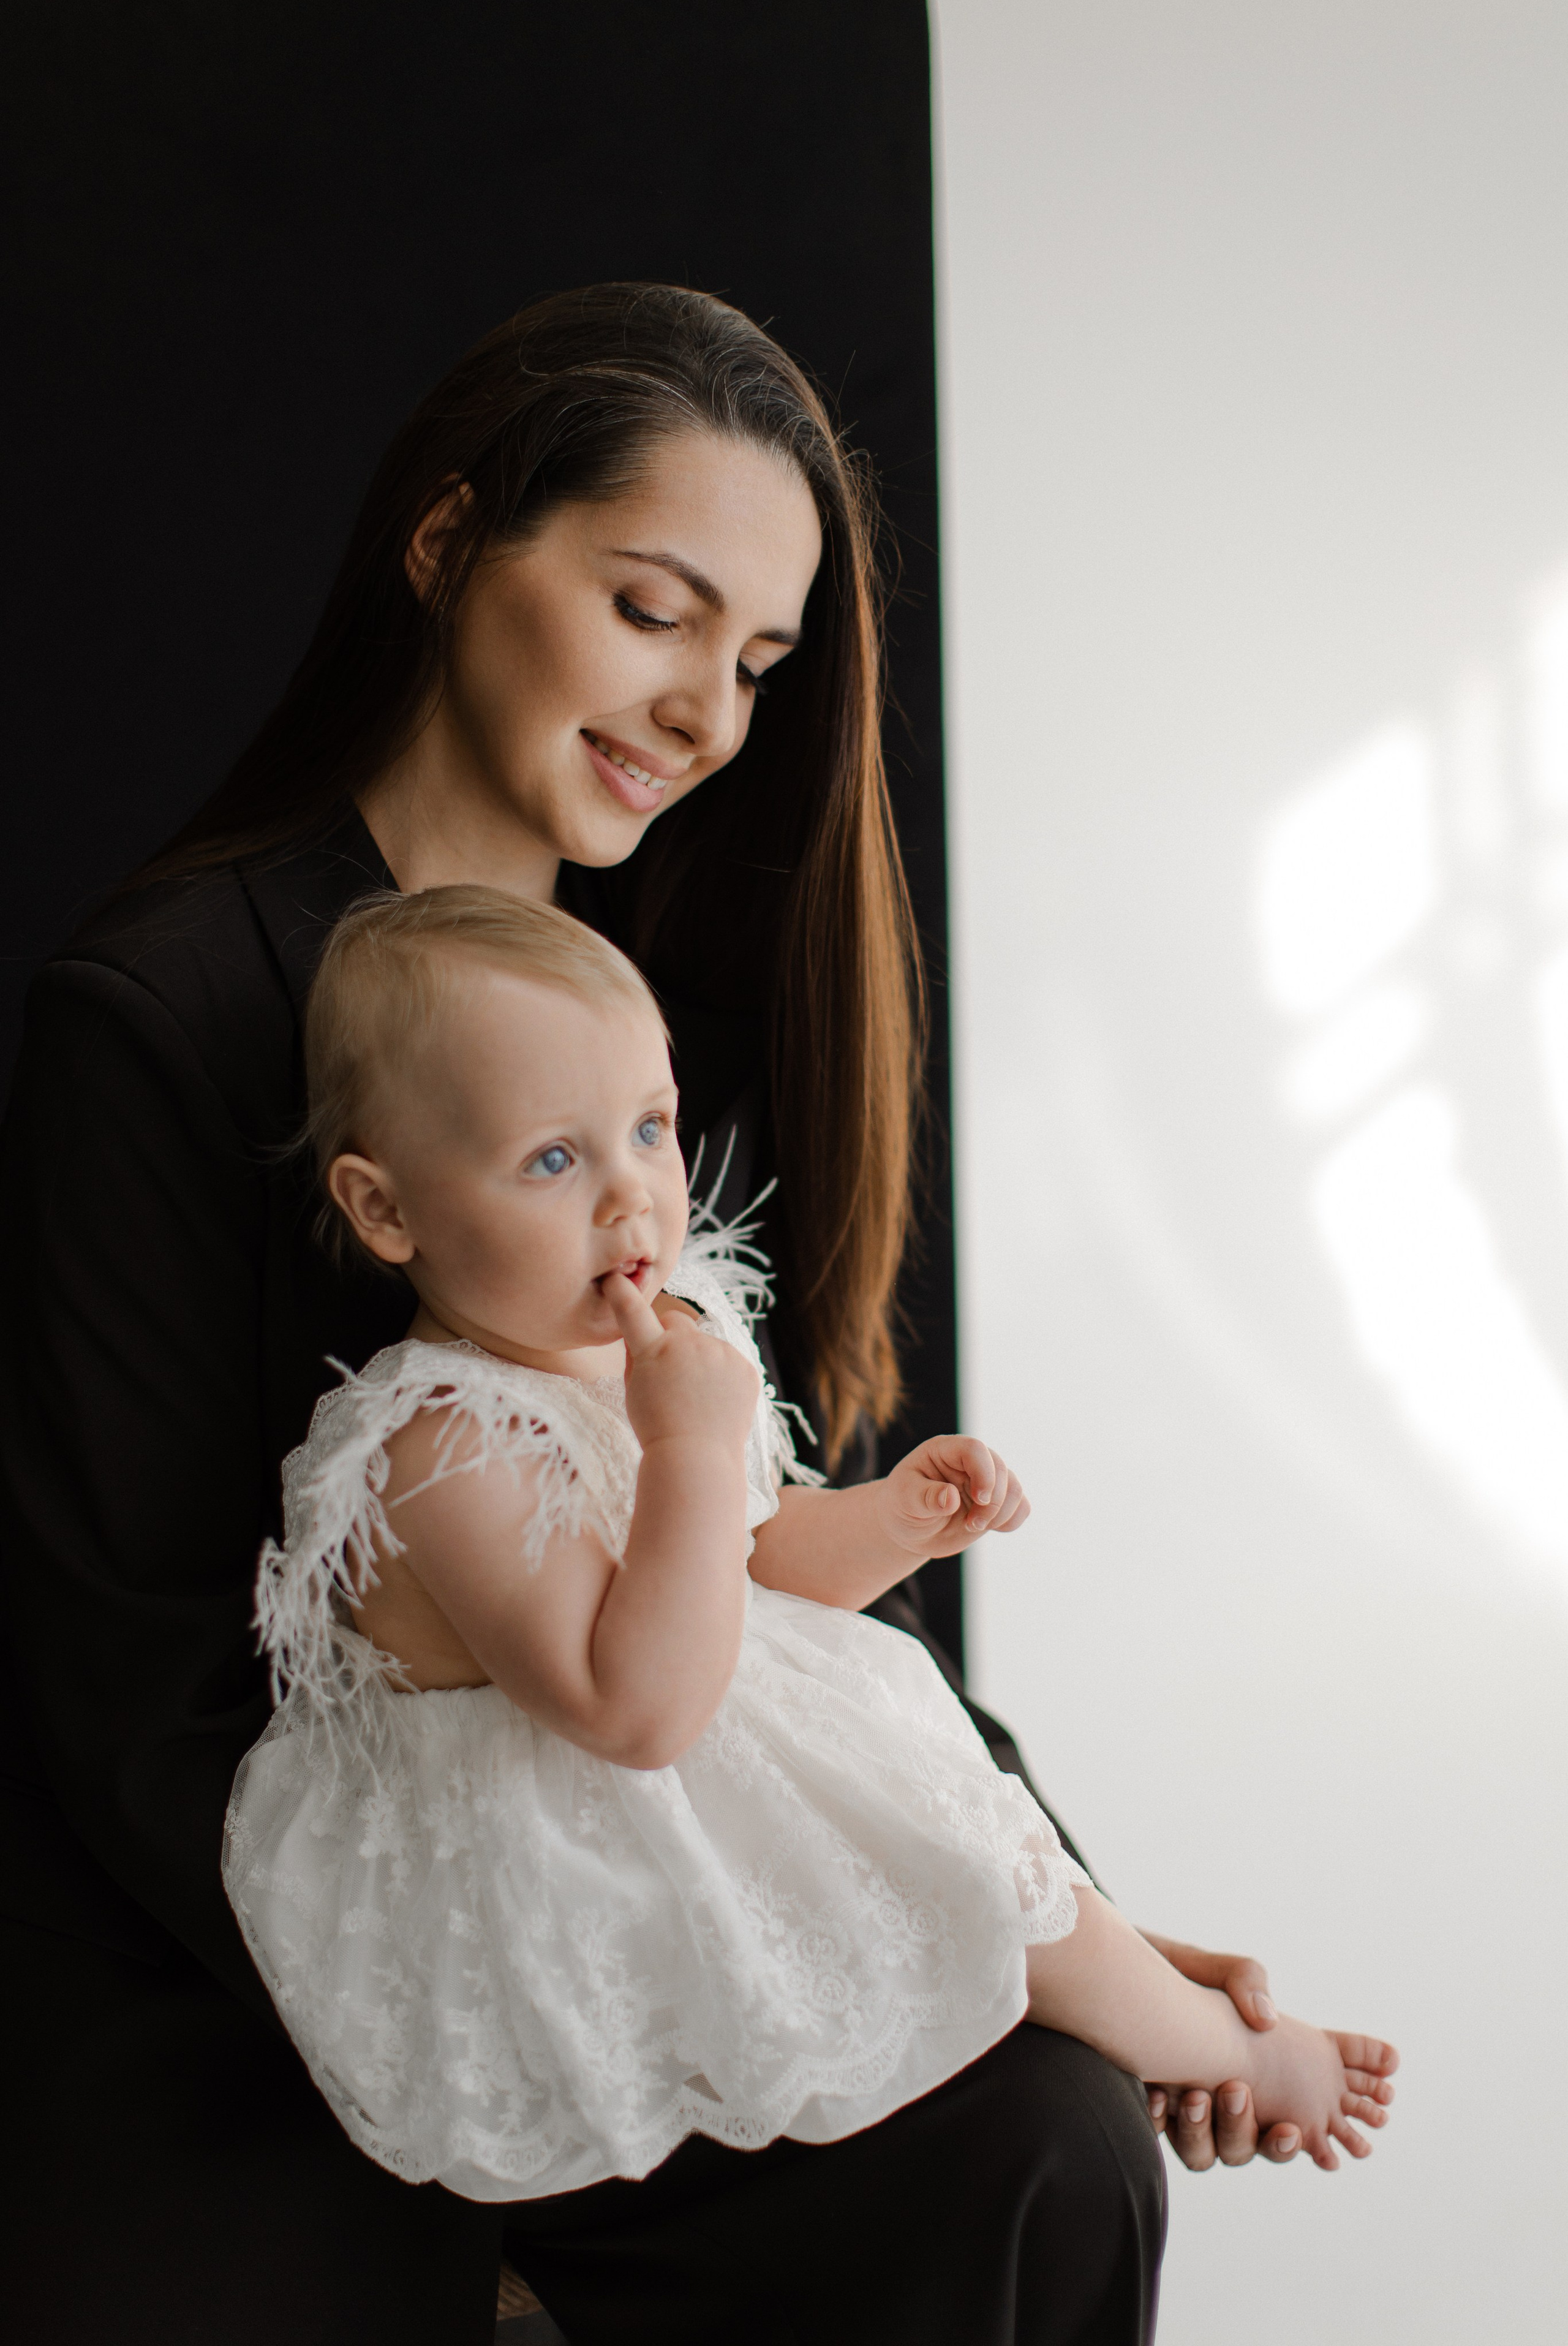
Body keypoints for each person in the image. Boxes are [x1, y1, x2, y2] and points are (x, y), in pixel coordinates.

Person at [1, 284, 1335, 2346]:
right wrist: (554, 1988)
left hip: (652, 1882)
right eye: (657, 611)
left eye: (762, 659)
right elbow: (134, 1691)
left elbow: (779, 1605)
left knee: (1046, 2145)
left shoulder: (638, 1051)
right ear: (450, 552)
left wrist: (1049, 1914)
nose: (713, 711)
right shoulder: (161, 1019)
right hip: (318, 1960)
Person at [225, 882, 1397, 2238]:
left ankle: (1150, 2011)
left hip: (693, 1775)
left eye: (651, 1131)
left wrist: (891, 1520)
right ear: (385, 1211)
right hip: (573, 1859)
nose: (630, 1201)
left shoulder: (656, 1341)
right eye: (552, 1161)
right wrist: (686, 1453)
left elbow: (752, 1562)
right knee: (956, 1857)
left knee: (967, 1822)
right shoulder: (441, 1446)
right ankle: (1219, 2048)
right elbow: (634, 1708)